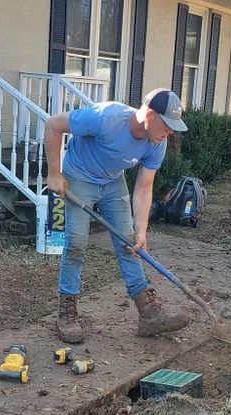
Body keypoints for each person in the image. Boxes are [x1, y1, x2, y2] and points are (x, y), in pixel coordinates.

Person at [44, 88, 191, 344]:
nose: (170, 132)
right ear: (150, 114)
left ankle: (149, 314)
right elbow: (54, 124)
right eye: (167, 125)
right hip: (79, 176)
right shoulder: (106, 118)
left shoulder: (157, 143)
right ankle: (67, 311)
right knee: (77, 242)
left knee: (129, 244)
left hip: (113, 182)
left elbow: (144, 187)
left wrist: (141, 230)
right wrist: (54, 173)